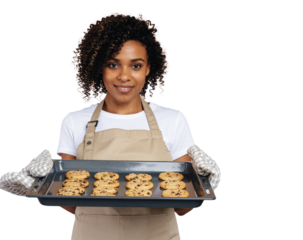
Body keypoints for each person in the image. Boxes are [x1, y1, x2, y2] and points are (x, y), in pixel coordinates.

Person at [56, 11, 197, 240]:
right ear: (99, 67)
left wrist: (203, 181)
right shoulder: (73, 121)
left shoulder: (174, 120)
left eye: (135, 65)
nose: (124, 76)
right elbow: (69, 200)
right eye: (113, 64)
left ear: (148, 68)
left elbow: (182, 204)